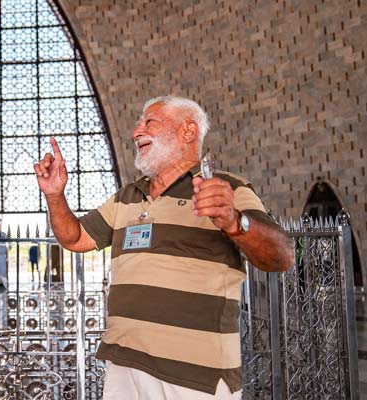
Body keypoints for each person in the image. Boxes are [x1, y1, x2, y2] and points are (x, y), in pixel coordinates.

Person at [34, 96, 294, 400]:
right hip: (124, 363)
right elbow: (75, 238)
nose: (135, 132)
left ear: (187, 131)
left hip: (194, 375)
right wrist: (54, 196)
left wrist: (235, 220)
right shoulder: (126, 196)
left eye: (149, 122)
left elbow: (282, 256)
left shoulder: (227, 188)